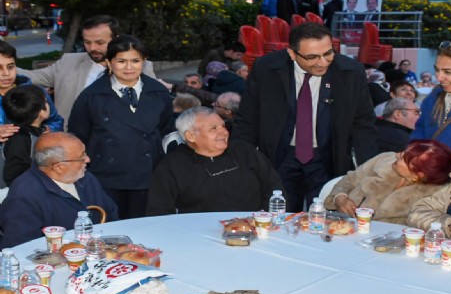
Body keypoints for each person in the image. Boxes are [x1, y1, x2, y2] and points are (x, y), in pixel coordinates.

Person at [233, 22, 378, 212]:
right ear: (292, 54)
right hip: (279, 157)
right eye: (312, 57)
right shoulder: (266, 69)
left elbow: (363, 124)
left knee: (324, 222)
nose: (322, 62)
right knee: (279, 218)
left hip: (328, 158)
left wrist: (369, 172)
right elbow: (247, 119)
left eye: (328, 53)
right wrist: (240, 164)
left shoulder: (350, 72)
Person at [68, 35, 173, 220]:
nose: (129, 67)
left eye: (135, 61)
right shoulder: (91, 97)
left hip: (148, 178)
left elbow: (165, 131)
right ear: (109, 62)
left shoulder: (159, 93)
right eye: (121, 61)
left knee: (146, 231)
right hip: (106, 179)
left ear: (144, 61)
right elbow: (78, 136)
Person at [17, 15, 157, 127]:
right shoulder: (68, 62)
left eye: (100, 43)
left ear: (116, 39)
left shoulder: (140, 67)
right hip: (70, 141)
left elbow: (152, 108)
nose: (92, 48)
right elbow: (31, 76)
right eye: (87, 42)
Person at [146, 107, 284, 215]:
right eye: (214, 129)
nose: (223, 132)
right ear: (191, 136)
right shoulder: (171, 167)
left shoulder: (246, 153)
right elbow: (159, 212)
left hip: (256, 229)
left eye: (223, 126)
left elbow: (274, 187)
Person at [0, 132, 119, 248]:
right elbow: (21, 249)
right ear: (59, 167)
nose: (88, 159)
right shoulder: (24, 196)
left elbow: (111, 216)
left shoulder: (86, 179)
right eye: (82, 156)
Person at [325, 139, 451, 224]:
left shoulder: (435, 195)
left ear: (418, 175)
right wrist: (339, 197)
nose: (398, 154)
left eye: (404, 158)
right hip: (342, 225)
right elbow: (349, 180)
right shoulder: (385, 159)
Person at [0, 41, 63, 142]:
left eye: (10, 67)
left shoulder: (36, 92)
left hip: (34, 153)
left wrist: (46, 130)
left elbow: (56, 121)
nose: (6, 73)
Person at [2, 85, 49, 186]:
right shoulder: (20, 138)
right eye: (45, 101)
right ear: (41, 112)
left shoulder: (34, 133)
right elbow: (14, 176)